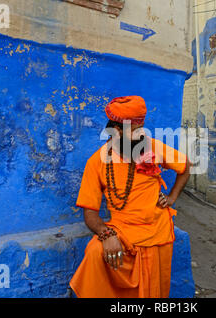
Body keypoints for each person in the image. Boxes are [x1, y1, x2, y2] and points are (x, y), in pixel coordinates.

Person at [69, 95, 190, 298]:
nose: (140, 135)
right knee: (94, 253)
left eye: (141, 129)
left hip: (157, 232)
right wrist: (106, 235)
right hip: (122, 230)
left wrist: (171, 198)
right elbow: (90, 213)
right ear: (116, 131)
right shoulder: (96, 162)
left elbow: (185, 167)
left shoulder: (151, 146)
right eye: (134, 132)